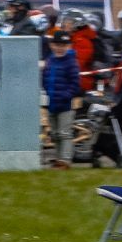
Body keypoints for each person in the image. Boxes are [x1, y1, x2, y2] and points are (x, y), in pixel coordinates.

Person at [43, 29, 81, 170]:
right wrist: (48, 91)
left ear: (68, 46)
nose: (60, 48)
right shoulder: (50, 61)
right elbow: (45, 78)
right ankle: (58, 158)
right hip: (52, 102)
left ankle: (65, 160)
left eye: (63, 45)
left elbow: (75, 83)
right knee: (55, 133)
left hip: (66, 104)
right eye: (57, 45)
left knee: (65, 133)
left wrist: (66, 95)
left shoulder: (71, 62)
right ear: (52, 45)